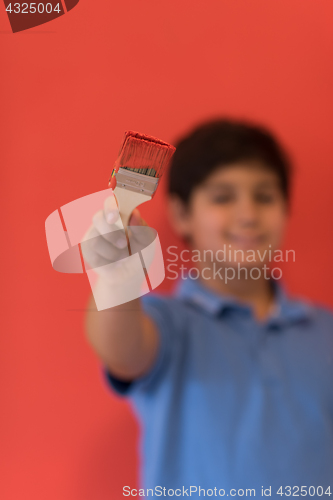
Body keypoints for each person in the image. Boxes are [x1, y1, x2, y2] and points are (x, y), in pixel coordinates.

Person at [82, 119, 333, 498]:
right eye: (223, 197)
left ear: (285, 210)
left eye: (264, 196)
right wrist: (118, 281)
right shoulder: (166, 324)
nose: (248, 214)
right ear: (182, 214)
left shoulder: (325, 331)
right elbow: (122, 350)